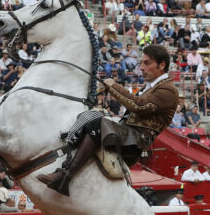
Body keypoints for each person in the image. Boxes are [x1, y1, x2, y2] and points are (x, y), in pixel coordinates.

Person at [37, 45, 179, 196]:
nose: (142, 67)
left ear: (162, 65)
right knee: (92, 115)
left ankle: (65, 176)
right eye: (141, 63)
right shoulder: (153, 86)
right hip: (127, 133)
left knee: (97, 122)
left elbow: (139, 106)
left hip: (134, 142)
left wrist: (114, 87)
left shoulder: (168, 90)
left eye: (147, 63)